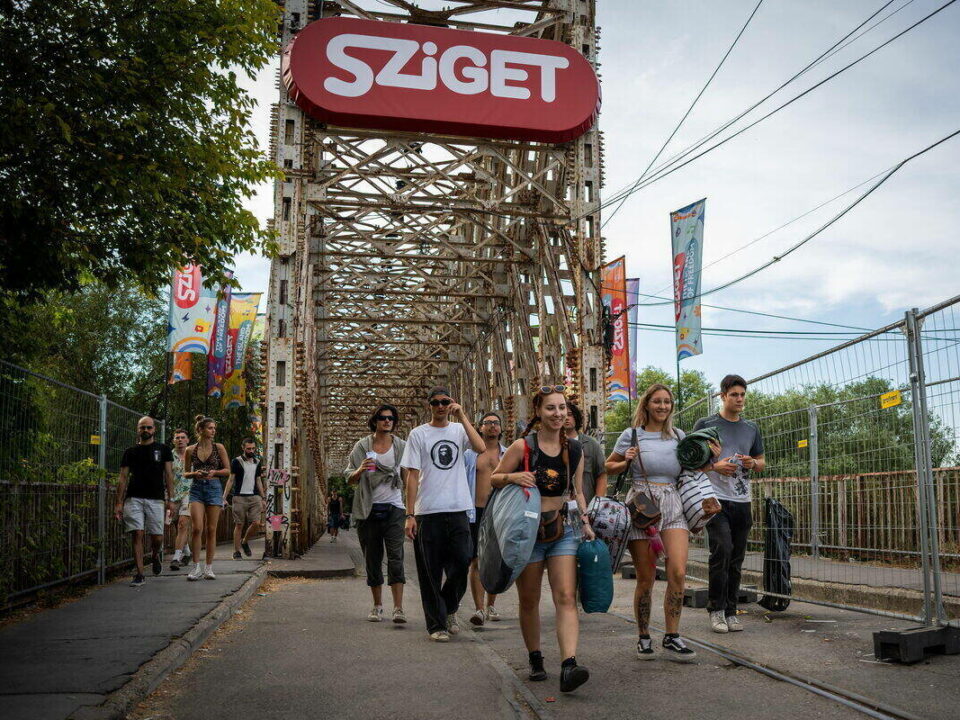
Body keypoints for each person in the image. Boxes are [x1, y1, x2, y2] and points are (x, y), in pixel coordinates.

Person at [491, 385, 594, 693]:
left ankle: (569, 665)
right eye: (551, 408)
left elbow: (577, 491)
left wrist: (586, 522)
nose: (558, 414)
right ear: (538, 412)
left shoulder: (574, 449)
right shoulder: (523, 447)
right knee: (530, 599)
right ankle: (536, 658)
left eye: (562, 408)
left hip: (561, 530)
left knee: (565, 596)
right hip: (527, 533)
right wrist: (512, 477)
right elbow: (495, 477)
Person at [605, 383, 718, 662]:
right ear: (646, 405)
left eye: (667, 402)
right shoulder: (632, 435)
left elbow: (693, 470)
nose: (662, 406)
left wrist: (711, 459)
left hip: (673, 502)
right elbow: (608, 466)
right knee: (646, 577)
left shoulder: (679, 436)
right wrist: (625, 461)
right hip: (643, 506)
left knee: (678, 572)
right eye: (657, 401)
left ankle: (672, 635)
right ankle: (644, 637)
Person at [401, 387, 484, 642]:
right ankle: (436, 625)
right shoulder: (418, 434)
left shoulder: (459, 430)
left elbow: (480, 446)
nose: (440, 406)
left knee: (461, 563)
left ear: (451, 404)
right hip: (429, 511)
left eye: (445, 402)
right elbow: (412, 476)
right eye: (435, 402)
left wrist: (463, 416)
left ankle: (449, 608)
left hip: (459, 508)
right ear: (429, 406)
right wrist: (410, 514)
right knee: (430, 573)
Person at [693, 374, 765, 633]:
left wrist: (752, 463)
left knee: (737, 557)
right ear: (722, 396)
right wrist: (714, 465)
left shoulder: (751, 428)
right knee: (721, 550)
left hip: (742, 499)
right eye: (734, 394)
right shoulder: (706, 424)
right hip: (714, 498)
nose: (739, 399)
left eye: (743, 395)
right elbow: (690, 459)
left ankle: (732, 611)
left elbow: (761, 461)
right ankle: (716, 609)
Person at [345, 403, 408, 624]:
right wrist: (360, 469)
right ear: (375, 421)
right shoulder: (362, 446)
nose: (387, 421)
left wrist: (412, 510)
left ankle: (398, 609)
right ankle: (377, 606)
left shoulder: (401, 446)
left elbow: (410, 477)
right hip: (368, 509)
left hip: (395, 508)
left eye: (390, 418)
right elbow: (349, 477)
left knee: (396, 558)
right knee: (372, 560)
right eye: (382, 417)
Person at [114, 416, 176, 587]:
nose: (146, 431)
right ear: (138, 429)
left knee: (157, 537)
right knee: (138, 533)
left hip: (156, 499)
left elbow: (169, 475)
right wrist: (118, 503)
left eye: (149, 427)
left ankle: (155, 555)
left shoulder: (163, 450)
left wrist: (171, 499)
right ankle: (140, 574)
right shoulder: (130, 452)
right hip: (133, 498)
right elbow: (123, 477)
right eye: (142, 428)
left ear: (154, 429)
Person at [465, 411, 507, 626]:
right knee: (476, 561)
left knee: (497, 561)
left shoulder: (508, 454)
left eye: (495, 423)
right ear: (479, 427)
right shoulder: (470, 455)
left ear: (501, 428)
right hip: (476, 512)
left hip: (500, 512)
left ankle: (491, 605)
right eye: (487, 423)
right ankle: (479, 609)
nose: (492, 426)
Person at [183, 415, 230, 581]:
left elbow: (227, 470)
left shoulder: (219, 448)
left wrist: (214, 472)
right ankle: (196, 567)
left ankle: (208, 567)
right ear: (201, 430)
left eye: (214, 428)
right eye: (210, 428)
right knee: (197, 528)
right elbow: (185, 472)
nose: (213, 431)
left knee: (211, 529)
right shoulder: (190, 450)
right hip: (196, 488)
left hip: (214, 488)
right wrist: (194, 473)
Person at [222, 437, 265, 560]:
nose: (251, 450)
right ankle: (237, 551)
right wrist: (224, 497)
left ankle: (245, 541)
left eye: (253, 448)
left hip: (254, 496)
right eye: (248, 448)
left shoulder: (257, 462)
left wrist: (263, 498)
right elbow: (231, 479)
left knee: (256, 523)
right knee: (239, 524)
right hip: (239, 497)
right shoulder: (236, 461)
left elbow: (258, 480)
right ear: (243, 448)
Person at [564, 401, 607, 505]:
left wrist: (597, 504)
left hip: (586, 503)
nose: (566, 418)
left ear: (576, 417)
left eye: (569, 414)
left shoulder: (591, 444)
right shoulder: (551, 444)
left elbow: (602, 474)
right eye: (563, 414)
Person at [169, 428, 193, 571]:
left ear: (187, 440)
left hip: (189, 494)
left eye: (183, 437)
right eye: (177, 437)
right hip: (173, 495)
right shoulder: (169, 456)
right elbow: (166, 476)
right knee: (176, 525)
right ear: (174, 440)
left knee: (182, 524)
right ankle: (187, 553)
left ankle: (176, 558)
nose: (180, 440)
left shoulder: (194, 455)